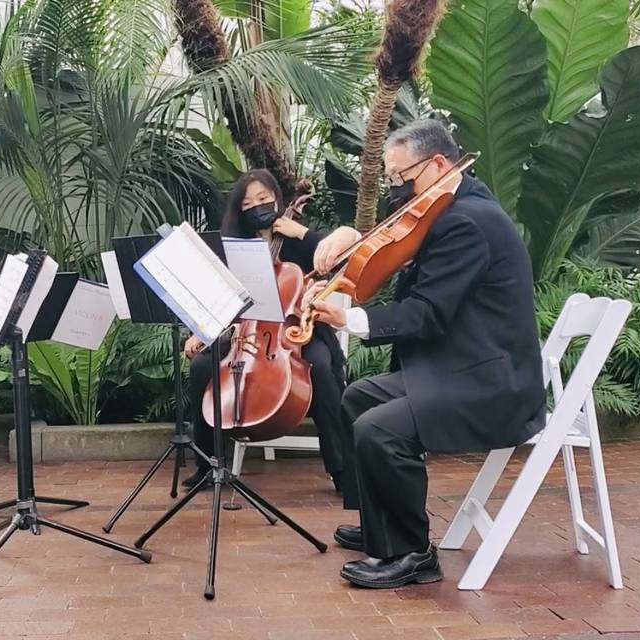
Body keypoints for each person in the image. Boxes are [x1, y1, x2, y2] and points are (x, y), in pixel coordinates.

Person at [307, 119, 546, 589]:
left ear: (438, 164)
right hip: (463, 367)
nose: (398, 194)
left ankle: (413, 553)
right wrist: (348, 237)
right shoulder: (452, 207)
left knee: (379, 429)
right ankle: (382, 525)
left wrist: (348, 318)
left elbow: (428, 313)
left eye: (402, 179)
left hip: (489, 385)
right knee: (358, 398)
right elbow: (395, 251)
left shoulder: (467, 223)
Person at [182, 170, 360, 492]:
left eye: (263, 199)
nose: (256, 207)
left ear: (278, 199)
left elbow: (342, 251)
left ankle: (343, 469)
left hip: (300, 332)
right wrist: (202, 331)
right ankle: (208, 463)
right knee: (200, 367)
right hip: (248, 334)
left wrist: (301, 232)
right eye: (248, 203)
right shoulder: (236, 247)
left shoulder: (298, 242)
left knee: (319, 368)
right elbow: (222, 296)